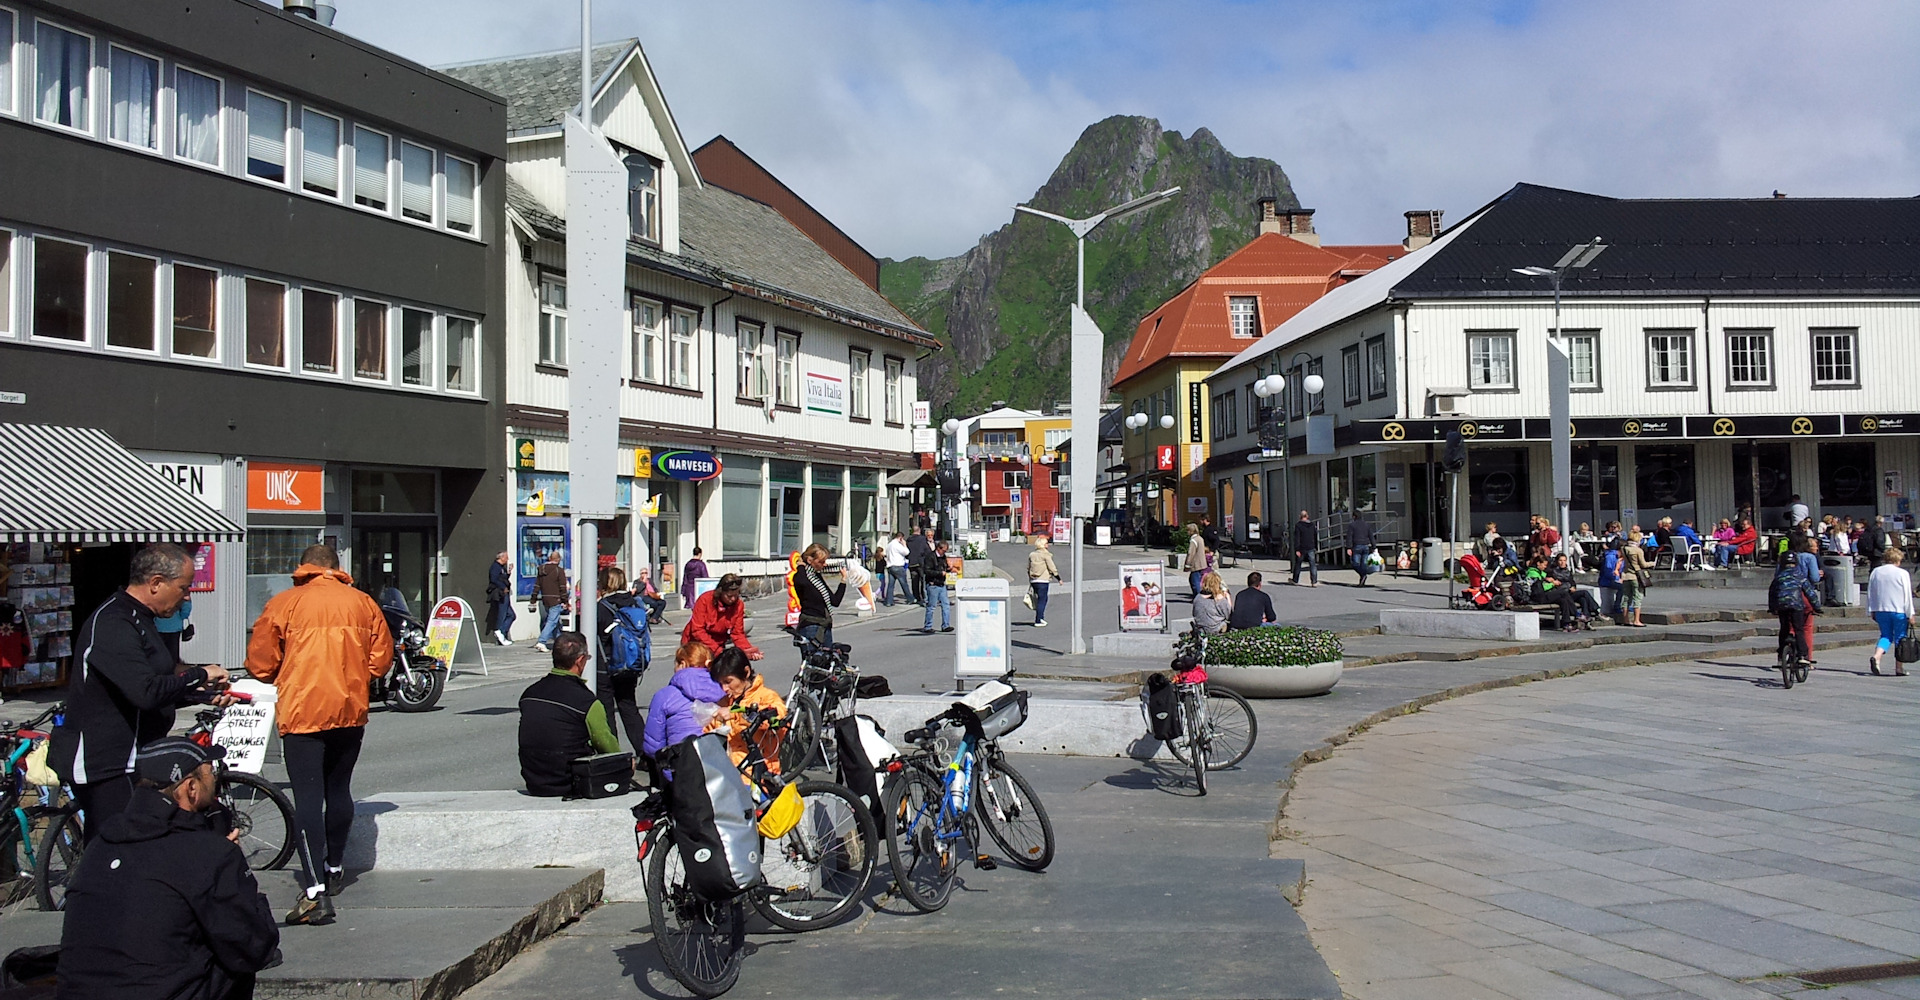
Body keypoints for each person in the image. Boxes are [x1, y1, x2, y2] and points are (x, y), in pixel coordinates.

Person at [56, 737, 280, 1000]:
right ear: (191, 788)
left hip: (80, 991)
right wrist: (236, 871)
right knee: (235, 960)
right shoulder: (209, 853)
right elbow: (254, 945)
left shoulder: (99, 845)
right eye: (211, 773)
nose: (215, 781)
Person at [244, 543, 394, 926]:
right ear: (337, 568)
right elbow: (381, 659)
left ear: (304, 568)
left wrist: (285, 673)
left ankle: (313, 888)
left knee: (308, 797)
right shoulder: (362, 602)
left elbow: (261, 663)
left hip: (302, 710)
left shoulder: (285, 603)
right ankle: (335, 867)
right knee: (339, 789)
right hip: (349, 708)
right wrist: (356, 676)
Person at [49, 543, 233, 846]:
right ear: (156, 583)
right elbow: (145, 692)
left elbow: (157, 681)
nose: (187, 596)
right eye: (184, 588)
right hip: (106, 762)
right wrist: (198, 675)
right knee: (118, 850)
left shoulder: (143, 618)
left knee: (147, 843)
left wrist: (201, 694)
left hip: (138, 755)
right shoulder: (114, 622)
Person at [517, 633, 622, 797]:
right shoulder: (587, 702)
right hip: (570, 784)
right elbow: (606, 745)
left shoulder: (529, 694)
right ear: (580, 661)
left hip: (535, 783)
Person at [640, 648, 728, 777]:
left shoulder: (664, 695)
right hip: (720, 766)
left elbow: (653, 745)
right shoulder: (724, 689)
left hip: (680, 768)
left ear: (682, 664)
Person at [593, 567, 646, 750]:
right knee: (629, 707)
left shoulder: (601, 607)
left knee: (607, 711)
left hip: (606, 665)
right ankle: (645, 753)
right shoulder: (634, 603)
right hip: (630, 663)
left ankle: (613, 755)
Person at [709, 648, 787, 773]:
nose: (724, 688)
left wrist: (737, 715)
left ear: (746, 673)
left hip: (759, 771)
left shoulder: (767, 696)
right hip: (729, 773)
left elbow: (777, 720)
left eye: (728, 682)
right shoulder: (724, 701)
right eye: (720, 684)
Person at [680, 573, 763, 661]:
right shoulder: (705, 600)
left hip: (718, 644)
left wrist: (749, 651)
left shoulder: (738, 605)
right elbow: (697, 630)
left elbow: (737, 633)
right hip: (694, 644)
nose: (733, 599)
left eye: (736, 595)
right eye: (729, 596)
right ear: (720, 592)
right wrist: (718, 651)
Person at [1769, 545, 1822, 669]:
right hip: (1796, 605)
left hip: (1781, 605)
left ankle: (1781, 654)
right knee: (1799, 629)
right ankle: (1803, 656)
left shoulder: (1779, 577)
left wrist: (1772, 608)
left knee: (1784, 629)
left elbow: (1772, 592)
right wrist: (1817, 606)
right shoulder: (1800, 575)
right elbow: (1809, 592)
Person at [1866, 548, 1913, 676]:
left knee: (1885, 635)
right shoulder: (1902, 573)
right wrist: (1911, 613)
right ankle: (1899, 668)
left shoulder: (1876, 572)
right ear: (1897, 560)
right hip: (1898, 610)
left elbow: (1871, 592)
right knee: (1900, 638)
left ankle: (1877, 657)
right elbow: (1907, 595)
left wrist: (1871, 609)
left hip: (1881, 609)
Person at [793, 543, 847, 649]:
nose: (824, 564)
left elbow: (835, 601)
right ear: (809, 560)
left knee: (827, 662)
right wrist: (800, 566)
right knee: (813, 662)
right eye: (821, 562)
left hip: (825, 625)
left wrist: (843, 580)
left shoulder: (816, 576)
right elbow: (802, 582)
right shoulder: (801, 576)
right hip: (810, 626)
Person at [1525, 552, 1582, 632]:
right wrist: (1552, 584)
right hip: (1538, 597)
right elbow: (1542, 587)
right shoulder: (1532, 573)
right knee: (1563, 593)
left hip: (1543, 595)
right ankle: (1576, 614)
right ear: (1538, 563)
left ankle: (1566, 624)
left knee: (1563, 600)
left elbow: (1544, 578)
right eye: (1544, 565)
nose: (1545, 567)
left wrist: (1548, 579)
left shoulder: (1540, 572)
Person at [534, 549, 569, 653]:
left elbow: (537, 585)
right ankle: (542, 641)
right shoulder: (559, 570)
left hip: (545, 598)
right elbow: (562, 587)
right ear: (558, 560)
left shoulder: (541, 569)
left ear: (550, 559)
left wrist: (533, 599)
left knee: (555, 621)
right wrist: (565, 601)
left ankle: (559, 642)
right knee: (552, 621)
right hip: (555, 598)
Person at [1550, 553, 1602, 624]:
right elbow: (1556, 584)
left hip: (1570, 592)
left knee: (1583, 599)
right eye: (1560, 560)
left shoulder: (1567, 571)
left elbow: (1572, 582)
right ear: (1557, 561)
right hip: (1563, 594)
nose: (1562, 562)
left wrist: (1573, 587)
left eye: (1564, 560)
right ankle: (1596, 612)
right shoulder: (1553, 572)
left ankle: (1585, 618)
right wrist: (1567, 587)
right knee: (1584, 593)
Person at [1620, 527, 1651, 627]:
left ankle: (1625, 619)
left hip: (1626, 576)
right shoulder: (1638, 550)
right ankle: (1636, 620)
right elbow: (1643, 564)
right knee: (1637, 598)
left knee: (1626, 598)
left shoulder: (1623, 548)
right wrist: (1653, 563)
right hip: (1636, 576)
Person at [1028, 535, 1060, 627]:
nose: (1048, 545)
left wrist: (1030, 578)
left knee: (1039, 599)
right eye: (1046, 543)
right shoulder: (1046, 555)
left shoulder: (1032, 555)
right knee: (1043, 599)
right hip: (1043, 580)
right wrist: (1058, 578)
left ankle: (1040, 617)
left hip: (1034, 580)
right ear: (1042, 545)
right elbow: (1052, 568)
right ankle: (1039, 619)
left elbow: (1028, 567)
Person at [153, 593, 194, 665]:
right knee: (173, 657)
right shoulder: (179, 593)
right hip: (174, 628)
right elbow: (185, 613)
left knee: (157, 655)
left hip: (158, 627)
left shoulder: (157, 593)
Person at [922, 540, 954, 633]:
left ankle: (946, 625)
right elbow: (927, 571)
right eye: (943, 550)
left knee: (946, 605)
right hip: (933, 584)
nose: (944, 553)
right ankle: (928, 626)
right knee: (931, 606)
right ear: (939, 548)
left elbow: (944, 568)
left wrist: (949, 569)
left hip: (941, 584)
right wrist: (940, 573)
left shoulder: (943, 557)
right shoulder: (930, 557)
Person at [487, 551, 515, 646]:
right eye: (506, 557)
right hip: (500, 593)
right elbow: (494, 579)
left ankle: (501, 633)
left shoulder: (501, 568)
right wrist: (503, 587)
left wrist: (508, 573)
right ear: (501, 558)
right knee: (502, 614)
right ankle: (499, 631)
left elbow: (502, 578)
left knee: (511, 615)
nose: (507, 559)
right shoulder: (495, 567)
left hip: (504, 593)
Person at [1191, 571, 1232, 635]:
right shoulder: (1220, 599)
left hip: (1201, 628)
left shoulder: (1198, 597)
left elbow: (1194, 613)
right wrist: (1228, 597)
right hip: (1215, 628)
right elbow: (1229, 615)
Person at [1598, 537, 1625, 622]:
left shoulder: (1621, 558)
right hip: (1607, 581)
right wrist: (1617, 579)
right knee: (1622, 588)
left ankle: (1627, 607)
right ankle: (1617, 607)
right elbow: (1608, 572)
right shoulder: (1610, 557)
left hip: (1615, 579)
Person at [884, 532, 914, 606]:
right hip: (898, 566)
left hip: (890, 566)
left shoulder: (889, 545)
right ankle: (910, 598)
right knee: (904, 584)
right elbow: (906, 552)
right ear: (900, 538)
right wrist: (904, 544)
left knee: (891, 585)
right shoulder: (897, 545)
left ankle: (889, 601)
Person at [1290, 510, 1319, 586]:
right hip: (1311, 546)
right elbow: (1315, 536)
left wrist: (1297, 549)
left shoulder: (1298, 525)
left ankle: (1295, 580)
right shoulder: (1312, 525)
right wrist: (1315, 546)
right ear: (1307, 516)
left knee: (1298, 564)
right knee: (1312, 564)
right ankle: (1314, 581)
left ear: (1300, 516)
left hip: (1301, 547)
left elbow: (1297, 538)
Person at [1349, 514, 1377, 586]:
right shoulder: (1366, 525)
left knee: (1355, 563)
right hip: (1365, 546)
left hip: (1357, 545)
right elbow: (1371, 536)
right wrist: (1374, 546)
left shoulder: (1352, 525)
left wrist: (1348, 547)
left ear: (1354, 517)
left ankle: (1363, 575)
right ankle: (1362, 579)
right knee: (1363, 564)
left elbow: (1349, 537)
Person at [906, 528, 933, 605]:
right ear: (919, 531)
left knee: (914, 581)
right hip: (920, 563)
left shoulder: (909, 540)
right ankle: (924, 597)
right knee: (923, 580)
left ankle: (916, 597)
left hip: (911, 563)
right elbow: (927, 550)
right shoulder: (922, 539)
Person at [1183, 524, 1209, 599]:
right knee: (1193, 579)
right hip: (1202, 563)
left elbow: (1190, 553)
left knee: (1195, 581)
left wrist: (1187, 564)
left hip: (1196, 563)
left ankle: (1198, 597)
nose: (1187, 532)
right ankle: (1197, 595)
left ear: (1191, 531)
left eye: (1188, 530)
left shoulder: (1193, 540)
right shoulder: (1200, 538)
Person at [680, 547, 709, 612]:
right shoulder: (701, 565)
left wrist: (683, 590)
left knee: (693, 608)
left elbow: (685, 578)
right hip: (699, 588)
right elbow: (705, 577)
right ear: (700, 554)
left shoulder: (688, 564)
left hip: (689, 588)